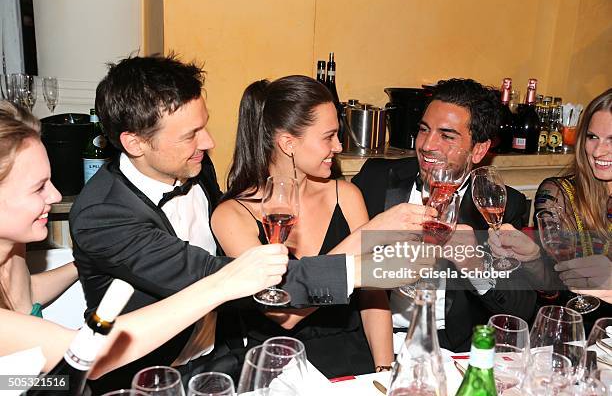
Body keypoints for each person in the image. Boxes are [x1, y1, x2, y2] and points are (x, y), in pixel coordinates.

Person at [69, 55, 431, 390]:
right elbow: (223, 276)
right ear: (134, 143)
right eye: (190, 135)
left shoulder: (193, 166)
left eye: (203, 127)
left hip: (218, 362)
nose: (208, 142)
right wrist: (363, 265)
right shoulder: (103, 215)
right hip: (148, 378)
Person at [0, 100, 288, 383]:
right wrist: (221, 284)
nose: (54, 196)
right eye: (38, 187)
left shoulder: (12, 253)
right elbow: (87, 357)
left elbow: (24, 294)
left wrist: (86, 260)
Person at [212, 76, 431, 377]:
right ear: (288, 143)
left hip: (355, 358)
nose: (339, 146)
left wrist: (384, 369)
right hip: (283, 370)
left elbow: (372, 295)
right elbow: (283, 314)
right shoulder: (232, 215)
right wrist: (368, 236)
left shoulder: (346, 195)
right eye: (328, 137)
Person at [351, 78, 537, 351]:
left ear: (479, 150)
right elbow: (336, 268)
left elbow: (521, 309)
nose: (427, 145)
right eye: (424, 130)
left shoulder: (501, 204)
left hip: (449, 349)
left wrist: (477, 268)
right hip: (372, 342)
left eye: (447, 136)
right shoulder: (376, 179)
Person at [533, 88, 612, 309]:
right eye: (592, 137)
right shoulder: (559, 195)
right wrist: (531, 262)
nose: (598, 151)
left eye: (611, 140)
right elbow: (552, 287)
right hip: (578, 325)